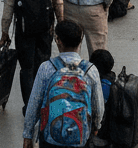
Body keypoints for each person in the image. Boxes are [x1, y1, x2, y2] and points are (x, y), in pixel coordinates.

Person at [22, 20, 104, 148]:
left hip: (50, 138)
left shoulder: (47, 68)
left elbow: (34, 104)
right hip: (80, 137)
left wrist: (28, 134)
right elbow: (98, 106)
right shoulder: (90, 70)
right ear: (80, 41)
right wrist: (95, 127)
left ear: (58, 40)